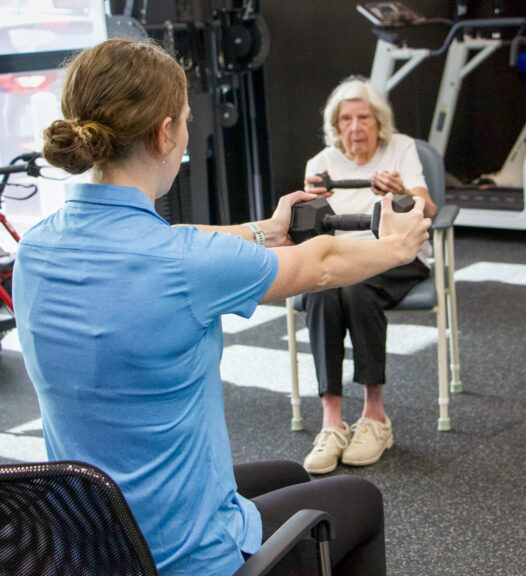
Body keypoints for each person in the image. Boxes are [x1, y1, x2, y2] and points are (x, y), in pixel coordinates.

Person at [13, 39, 431, 575]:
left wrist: (264, 230)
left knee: (290, 475)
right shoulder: (183, 265)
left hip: (86, 541)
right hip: (181, 555)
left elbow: (175, 239)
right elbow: (320, 263)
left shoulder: (37, 247)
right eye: (185, 121)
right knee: (360, 500)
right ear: (164, 134)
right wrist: (397, 245)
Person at [300, 77, 437, 475]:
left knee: (359, 290)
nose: (355, 127)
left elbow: (428, 211)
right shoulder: (321, 163)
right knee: (321, 292)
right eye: (346, 119)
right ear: (336, 125)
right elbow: (303, 227)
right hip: (341, 255)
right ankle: (331, 422)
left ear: (378, 121)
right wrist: (310, 204)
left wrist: (403, 197)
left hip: (396, 253)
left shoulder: (401, 149)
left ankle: (375, 417)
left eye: (363, 118)